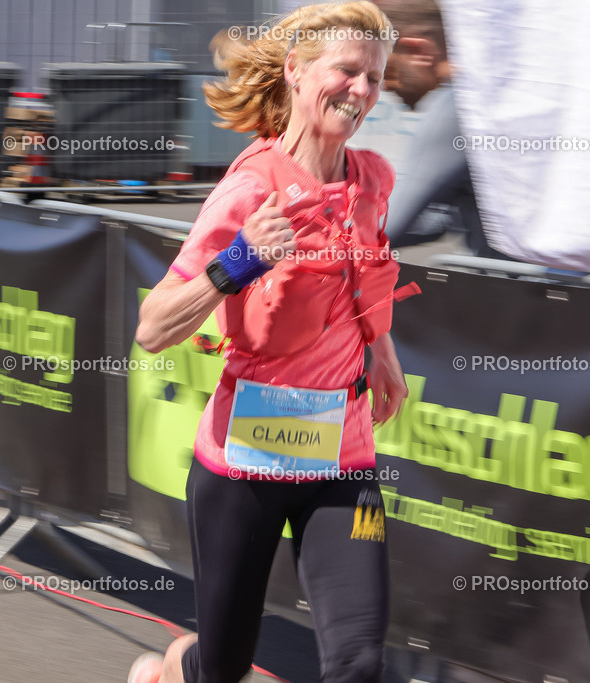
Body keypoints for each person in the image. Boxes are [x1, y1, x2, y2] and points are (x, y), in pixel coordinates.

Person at [130, 3, 409, 681]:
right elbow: (153, 327)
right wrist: (239, 262)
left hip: (344, 465)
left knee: (359, 662)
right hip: (243, 469)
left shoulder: (372, 179)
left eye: (374, 78)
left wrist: (385, 355)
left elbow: (363, 279)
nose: (362, 91)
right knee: (222, 668)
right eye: (347, 71)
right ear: (296, 70)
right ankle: (173, 669)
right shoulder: (250, 189)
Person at [369, 0, 506, 259]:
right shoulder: (483, 96)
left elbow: (382, 232)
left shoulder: (453, 107)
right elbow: (438, 222)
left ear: (418, 50)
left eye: (385, 70)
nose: (385, 86)